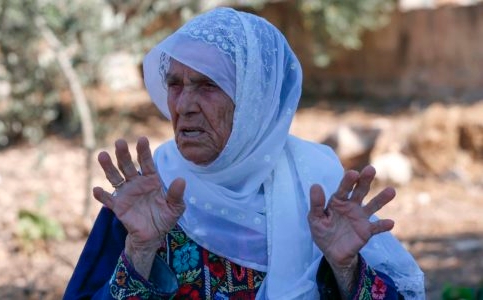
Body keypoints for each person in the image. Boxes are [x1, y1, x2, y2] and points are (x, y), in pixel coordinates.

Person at [63, 7, 425, 300]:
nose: (184, 104)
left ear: (255, 101)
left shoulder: (316, 189)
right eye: (174, 84)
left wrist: (346, 269)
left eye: (207, 84)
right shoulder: (148, 190)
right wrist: (140, 252)